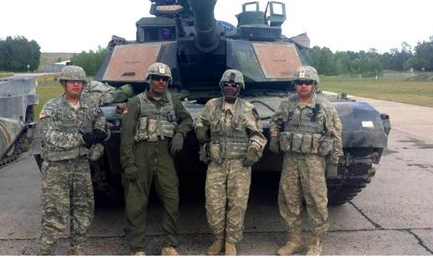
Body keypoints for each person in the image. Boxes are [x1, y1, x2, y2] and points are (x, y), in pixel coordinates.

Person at [120, 62, 193, 256]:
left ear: (168, 82)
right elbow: (126, 136)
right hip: (140, 153)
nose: (160, 82)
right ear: (150, 80)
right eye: (156, 78)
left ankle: (169, 244)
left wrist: (180, 134)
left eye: (164, 79)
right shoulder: (136, 102)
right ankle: (138, 247)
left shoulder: (173, 101)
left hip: (164, 155)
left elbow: (187, 119)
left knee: (171, 198)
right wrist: (128, 163)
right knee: (136, 202)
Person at [269, 66, 343, 255]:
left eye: (307, 82)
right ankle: (294, 240)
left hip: (314, 161)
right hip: (291, 160)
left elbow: (335, 135)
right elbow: (275, 121)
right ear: (295, 85)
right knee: (288, 199)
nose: (303, 86)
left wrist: (334, 162)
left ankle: (315, 242)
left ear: (314, 84)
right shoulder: (287, 105)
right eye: (300, 83)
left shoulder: (324, 107)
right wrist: (274, 136)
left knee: (316, 201)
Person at [194, 69, 267, 256]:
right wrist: (200, 129)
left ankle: (231, 242)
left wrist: (253, 149)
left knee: (237, 203)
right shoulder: (212, 105)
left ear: (240, 88)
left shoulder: (248, 109)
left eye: (234, 85)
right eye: (226, 84)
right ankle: (218, 239)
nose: (230, 88)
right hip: (216, 163)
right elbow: (200, 120)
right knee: (214, 203)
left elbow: (258, 134)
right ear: (221, 86)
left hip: (239, 164)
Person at [38, 65, 107, 255]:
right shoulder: (51, 106)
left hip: (81, 165)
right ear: (64, 83)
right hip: (56, 167)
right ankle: (46, 251)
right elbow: (49, 135)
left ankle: (77, 248)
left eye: (80, 82)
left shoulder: (89, 104)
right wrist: (82, 139)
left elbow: (100, 117)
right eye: (72, 81)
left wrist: (100, 130)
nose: (76, 84)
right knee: (54, 213)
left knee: (83, 209)